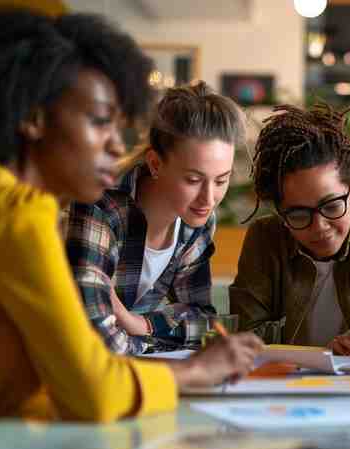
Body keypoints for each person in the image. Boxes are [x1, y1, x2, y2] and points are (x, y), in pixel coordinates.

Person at [0, 10, 262, 449]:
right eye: (100, 122)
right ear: (34, 119)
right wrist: (197, 369)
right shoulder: (16, 213)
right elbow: (94, 390)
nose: (119, 146)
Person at [65, 82, 246, 354]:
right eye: (193, 179)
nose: (208, 199)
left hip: (134, 375)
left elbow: (205, 323)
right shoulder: (99, 205)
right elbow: (96, 340)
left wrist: (138, 324)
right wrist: (156, 336)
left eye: (222, 180)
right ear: (155, 164)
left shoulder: (197, 221)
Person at [229, 103, 350, 354]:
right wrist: (324, 350)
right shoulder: (265, 237)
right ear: (281, 211)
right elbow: (245, 338)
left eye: (331, 206)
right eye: (299, 214)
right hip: (280, 385)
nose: (319, 227)